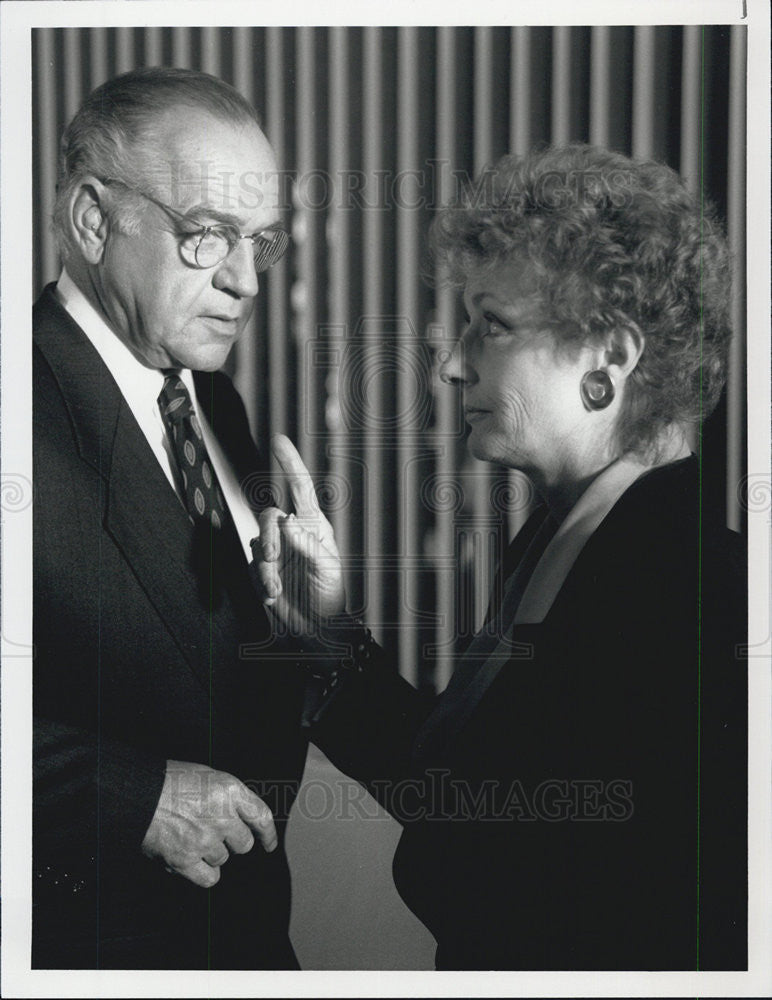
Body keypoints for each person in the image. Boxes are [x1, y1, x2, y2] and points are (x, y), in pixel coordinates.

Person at [255, 145, 748, 970]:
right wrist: (334, 638)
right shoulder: (560, 540)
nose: (451, 365)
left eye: (494, 326)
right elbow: (473, 794)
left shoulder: (695, 597)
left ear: (607, 364)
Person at [33, 66, 317, 969]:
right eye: (208, 237)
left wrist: (316, 631)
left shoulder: (215, 407)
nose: (246, 282)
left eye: (261, 245)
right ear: (92, 219)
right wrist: (133, 795)